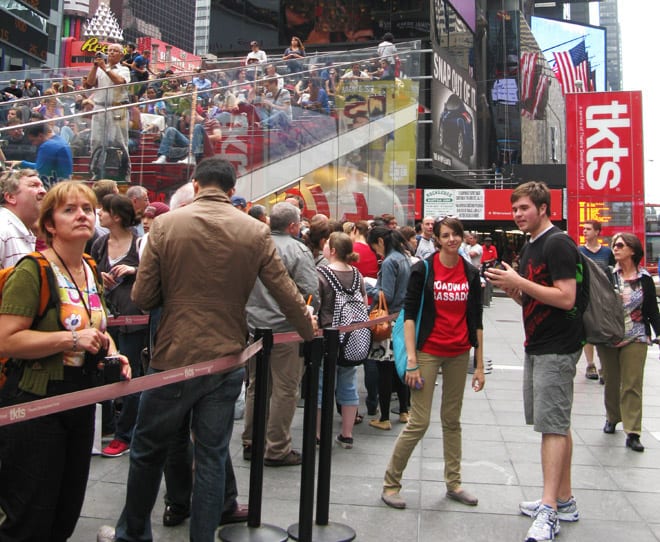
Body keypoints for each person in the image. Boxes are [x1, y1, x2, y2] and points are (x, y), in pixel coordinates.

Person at [100, 157, 316, 542]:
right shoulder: (255, 230)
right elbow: (287, 292)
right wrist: (308, 331)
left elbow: (145, 297)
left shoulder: (166, 224)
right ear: (233, 191)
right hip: (226, 357)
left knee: (149, 450)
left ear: (196, 185)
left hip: (172, 356)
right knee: (213, 456)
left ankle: (133, 534)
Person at [0, 181, 131, 541]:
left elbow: (96, 327)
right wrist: (70, 339)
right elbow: (6, 339)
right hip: (35, 401)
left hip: (81, 398)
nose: (82, 216)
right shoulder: (33, 270)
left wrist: (114, 353)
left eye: (87, 209)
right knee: (30, 512)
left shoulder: (89, 267)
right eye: (69, 210)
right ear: (50, 225)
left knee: (66, 507)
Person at [485, 181, 583, 542]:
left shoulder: (557, 243)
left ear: (543, 208)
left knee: (552, 427)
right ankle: (564, 500)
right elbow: (537, 300)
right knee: (557, 421)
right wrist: (515, 290)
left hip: (558, 346)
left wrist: (520, 282)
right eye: (514, 210)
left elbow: (567, 298)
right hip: (539, 343)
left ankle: (549, 510)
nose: (517, 215)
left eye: (524, 208)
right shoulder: (530, 246)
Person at [381, 216, 485, 509]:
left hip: (459, 351)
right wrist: (412, 360)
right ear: (437, 239)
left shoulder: (470, 272)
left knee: (452, 420)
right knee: (419, 421)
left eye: (456, 234)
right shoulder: (423, 269)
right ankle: (391, 483)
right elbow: (410, 315)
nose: (452, 239)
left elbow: (476, 318)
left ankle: (454, 483)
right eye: (446, 235)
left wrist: (478, 364)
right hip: (427, 351)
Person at [242, 202, 319, 466]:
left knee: (256, 385)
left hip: (253, 326)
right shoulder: (298, 250)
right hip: (286, 329)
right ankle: (277, 447)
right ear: (294, 226)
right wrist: (309, 315)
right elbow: (310, 291)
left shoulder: (253, 246)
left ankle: (252, 441)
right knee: (285, 388)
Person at [91, 194, 148, 458]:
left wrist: (133, 272)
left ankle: (125, 434)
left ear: (117, 216)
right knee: (102, 370)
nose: (99, 213)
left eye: (104, 210)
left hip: (133, 318)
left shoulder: (139, 244)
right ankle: (108, 426)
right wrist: (100, 279)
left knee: (131, 374)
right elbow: (91, 273)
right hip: (105, 315)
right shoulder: (100, 243)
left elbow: (151, 275)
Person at [597, 233, 660, 453]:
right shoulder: (607, 274)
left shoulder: (644, 279)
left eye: (620, 245)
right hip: (609, 336)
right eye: (614, 245)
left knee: (632, 384)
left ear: (632, 250)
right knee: (611, 381)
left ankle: (633, 432)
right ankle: (612, 417)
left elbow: (652, 309)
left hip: (636, 335)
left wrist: (658, 333)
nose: (615, 248)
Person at [316, 231, 367, 448]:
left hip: (328, 336)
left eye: (328, 245)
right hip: (352, 338)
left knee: (320, 386)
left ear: (333, 250)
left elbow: (315, 305)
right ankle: (347, 434)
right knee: (348, 384)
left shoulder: (321, 274)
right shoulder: (357, 274)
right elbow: (364, 304)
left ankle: (318, 433)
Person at [366, 226, 411, 430]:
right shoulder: (404, 258)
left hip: (388, 321)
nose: (376, 252)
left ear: (381, 242)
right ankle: (404, 410)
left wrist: (368, 287)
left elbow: (386, 295)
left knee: (385, 369)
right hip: (403, 319)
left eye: (375, 247)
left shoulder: (390, 261)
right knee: (400, 367)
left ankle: (384, 417)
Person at [86, 42, 132, 182]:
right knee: (96, 140)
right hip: (99, 107)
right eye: (109, 50)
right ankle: (95, 171)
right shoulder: (99, 69)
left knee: (119, 140)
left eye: (114, 51)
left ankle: (125, 172)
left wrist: (105, 68)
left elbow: (119, 81)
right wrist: (95, 67)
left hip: (117, 107)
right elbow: (89, 83)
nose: (111, 53)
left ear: (121, 54)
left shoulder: (124, 69)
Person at [349, 220, 379, 416]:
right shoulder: (373, 251)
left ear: (354, 230)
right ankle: (372, 399)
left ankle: (348, 405)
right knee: (371, 358)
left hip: (353, 305)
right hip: (371, 303)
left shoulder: (352, 249)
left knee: (350, 357)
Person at [579, 220, 614, 382]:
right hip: (586, 296)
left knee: (603, 329)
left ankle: (604, 366)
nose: (585, 232)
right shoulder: (579, 251)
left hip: (604, 297)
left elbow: (613, 273)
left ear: (597, 232)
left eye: (588, 229)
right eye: (583, 229)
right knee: (587, 329)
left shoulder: (607, 253)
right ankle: (590, 364)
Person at [0, 168, 46, 268]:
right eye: (34, 185)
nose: (43, 191)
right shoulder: (2, 229)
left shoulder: (23, 231)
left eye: (42, 186)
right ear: (11, 197)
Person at [10, 121, 73, 188]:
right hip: (64, 187)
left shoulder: (47, 146)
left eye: (33, 140)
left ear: (40, 136)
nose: (33, 144)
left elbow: (39, 172)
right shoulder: (61, 141)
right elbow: (44, 167)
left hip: (54, 190)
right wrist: (22, 163)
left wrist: (14, 172)